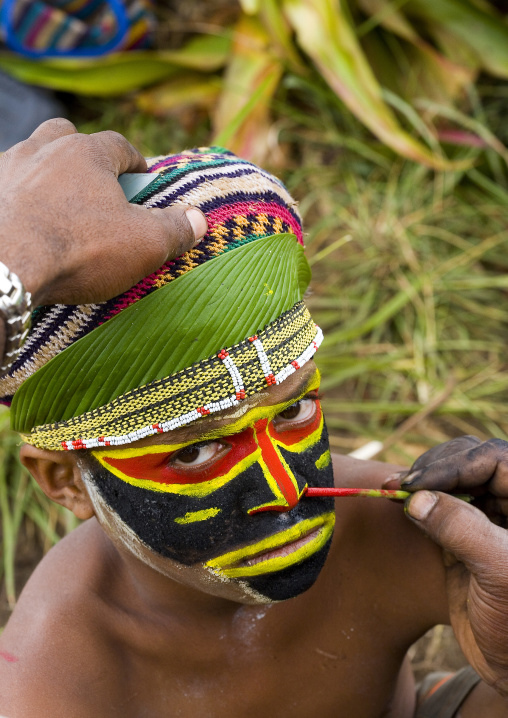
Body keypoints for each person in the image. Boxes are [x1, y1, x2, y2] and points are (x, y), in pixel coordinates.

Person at [0, 119, 508, 718]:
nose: (286, 486)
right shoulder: (57, 678)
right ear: (62, 479)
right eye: (192, 451)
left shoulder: (396, 530)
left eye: (292, 408)